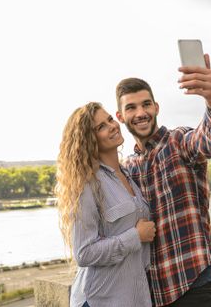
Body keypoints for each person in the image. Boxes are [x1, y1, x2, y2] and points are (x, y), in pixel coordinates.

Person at [115, 54, 211, 307]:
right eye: (131, 107)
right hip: (150, 292)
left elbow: (209, 139)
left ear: (156, 108)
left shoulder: (179, 142)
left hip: (193, 284)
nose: (141, 113)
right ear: (121, 116)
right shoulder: (126, 168)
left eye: (146, 104)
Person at [55, 102, 156, 307]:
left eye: (110, 119)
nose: (112, 126)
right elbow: (84, 253)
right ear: (89, 140)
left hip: (133, 298)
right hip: (100, 300)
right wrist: (135, 236)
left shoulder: (128, 176)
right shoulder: (87, 185)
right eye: (101, 127)